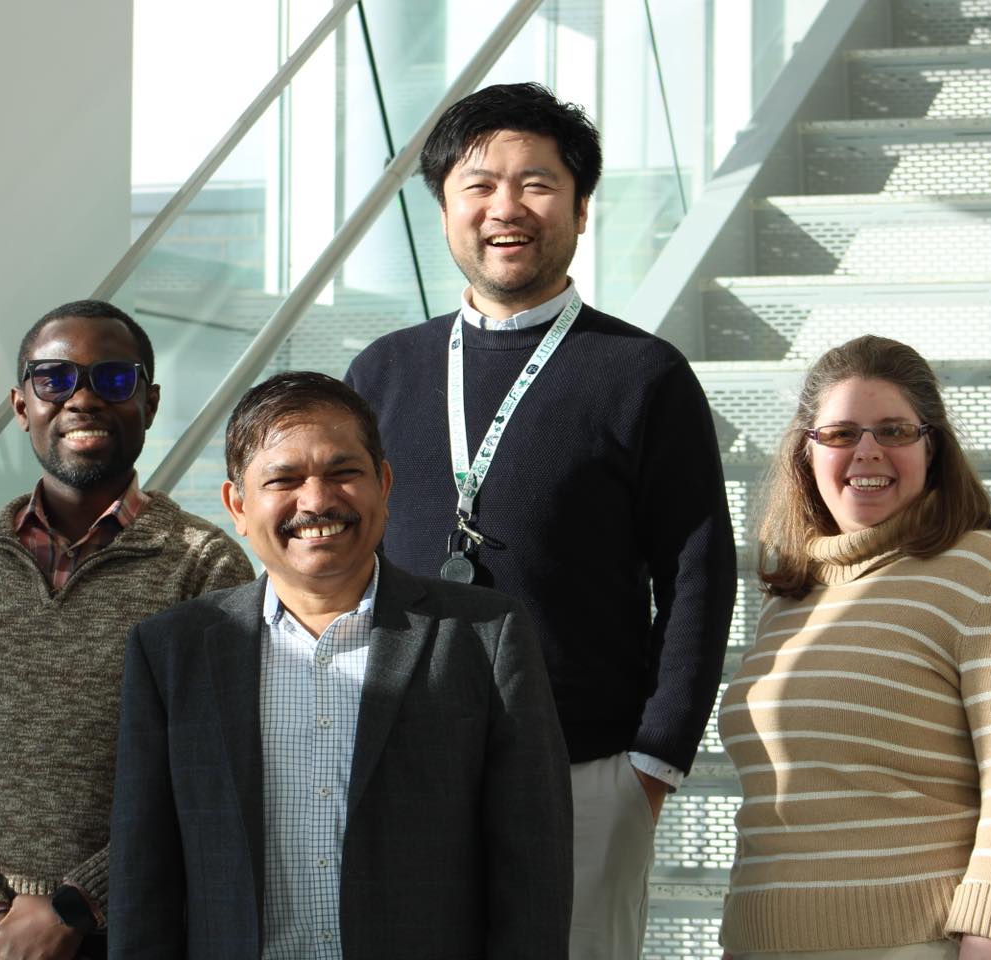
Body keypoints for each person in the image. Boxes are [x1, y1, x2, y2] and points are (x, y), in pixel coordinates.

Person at [344, 81, 736, 960]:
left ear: (582, 208)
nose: (505, 208)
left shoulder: (642, 373)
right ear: (444, 210)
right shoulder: (383, 372)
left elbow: (698, 574)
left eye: (537, 183)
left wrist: (653, 763)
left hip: (587, 770)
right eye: (478, 185)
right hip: (404, 765)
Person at [109, 371, 572, 959]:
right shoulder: (172, 652)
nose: (317, 500)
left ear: (382, 482)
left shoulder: (484, 636)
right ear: (238, 506)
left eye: (343, 472)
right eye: (283, 479)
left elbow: (533, 870)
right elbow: (142, 880)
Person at [0, 300, 255, 960]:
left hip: (128, 934)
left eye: (113, 379)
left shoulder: (206, 564)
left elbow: (207, 773)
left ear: (150, 401)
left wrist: (74, 908)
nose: (82, 398)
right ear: (22, 405)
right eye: (54, 379)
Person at [718, 335, 991, 960]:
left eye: (894, 430)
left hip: (909, 942)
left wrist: (990, 945)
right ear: (805, 454)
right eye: (839, 434)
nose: (867, 452)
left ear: (932, 447)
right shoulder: (791, 597)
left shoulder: (987, 573)